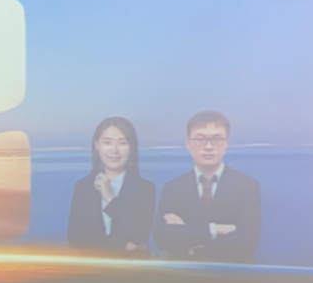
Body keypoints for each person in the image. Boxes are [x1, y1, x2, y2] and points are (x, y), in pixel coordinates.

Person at [153, 110, 262, 263]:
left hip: (231, 273)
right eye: (200, 139)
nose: (208, 146)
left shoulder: (246, 185)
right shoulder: (173, 187)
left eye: (216, 139)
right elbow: (162, 239)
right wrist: (215, 230)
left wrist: (187, 232)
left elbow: (247, 243)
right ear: (188, 143)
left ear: (227, 142)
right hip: (185, 274)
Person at [66, 117, 155, 257]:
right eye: (107, 143)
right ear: (97, 145)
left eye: (122, 143)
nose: (114, 150)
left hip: (132, 268)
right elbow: (75, 239)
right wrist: (122, 245)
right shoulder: (83, 187)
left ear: (131, 147)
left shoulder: (144, 188)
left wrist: (109, 197)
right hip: (93, 268)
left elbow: (139, 235)